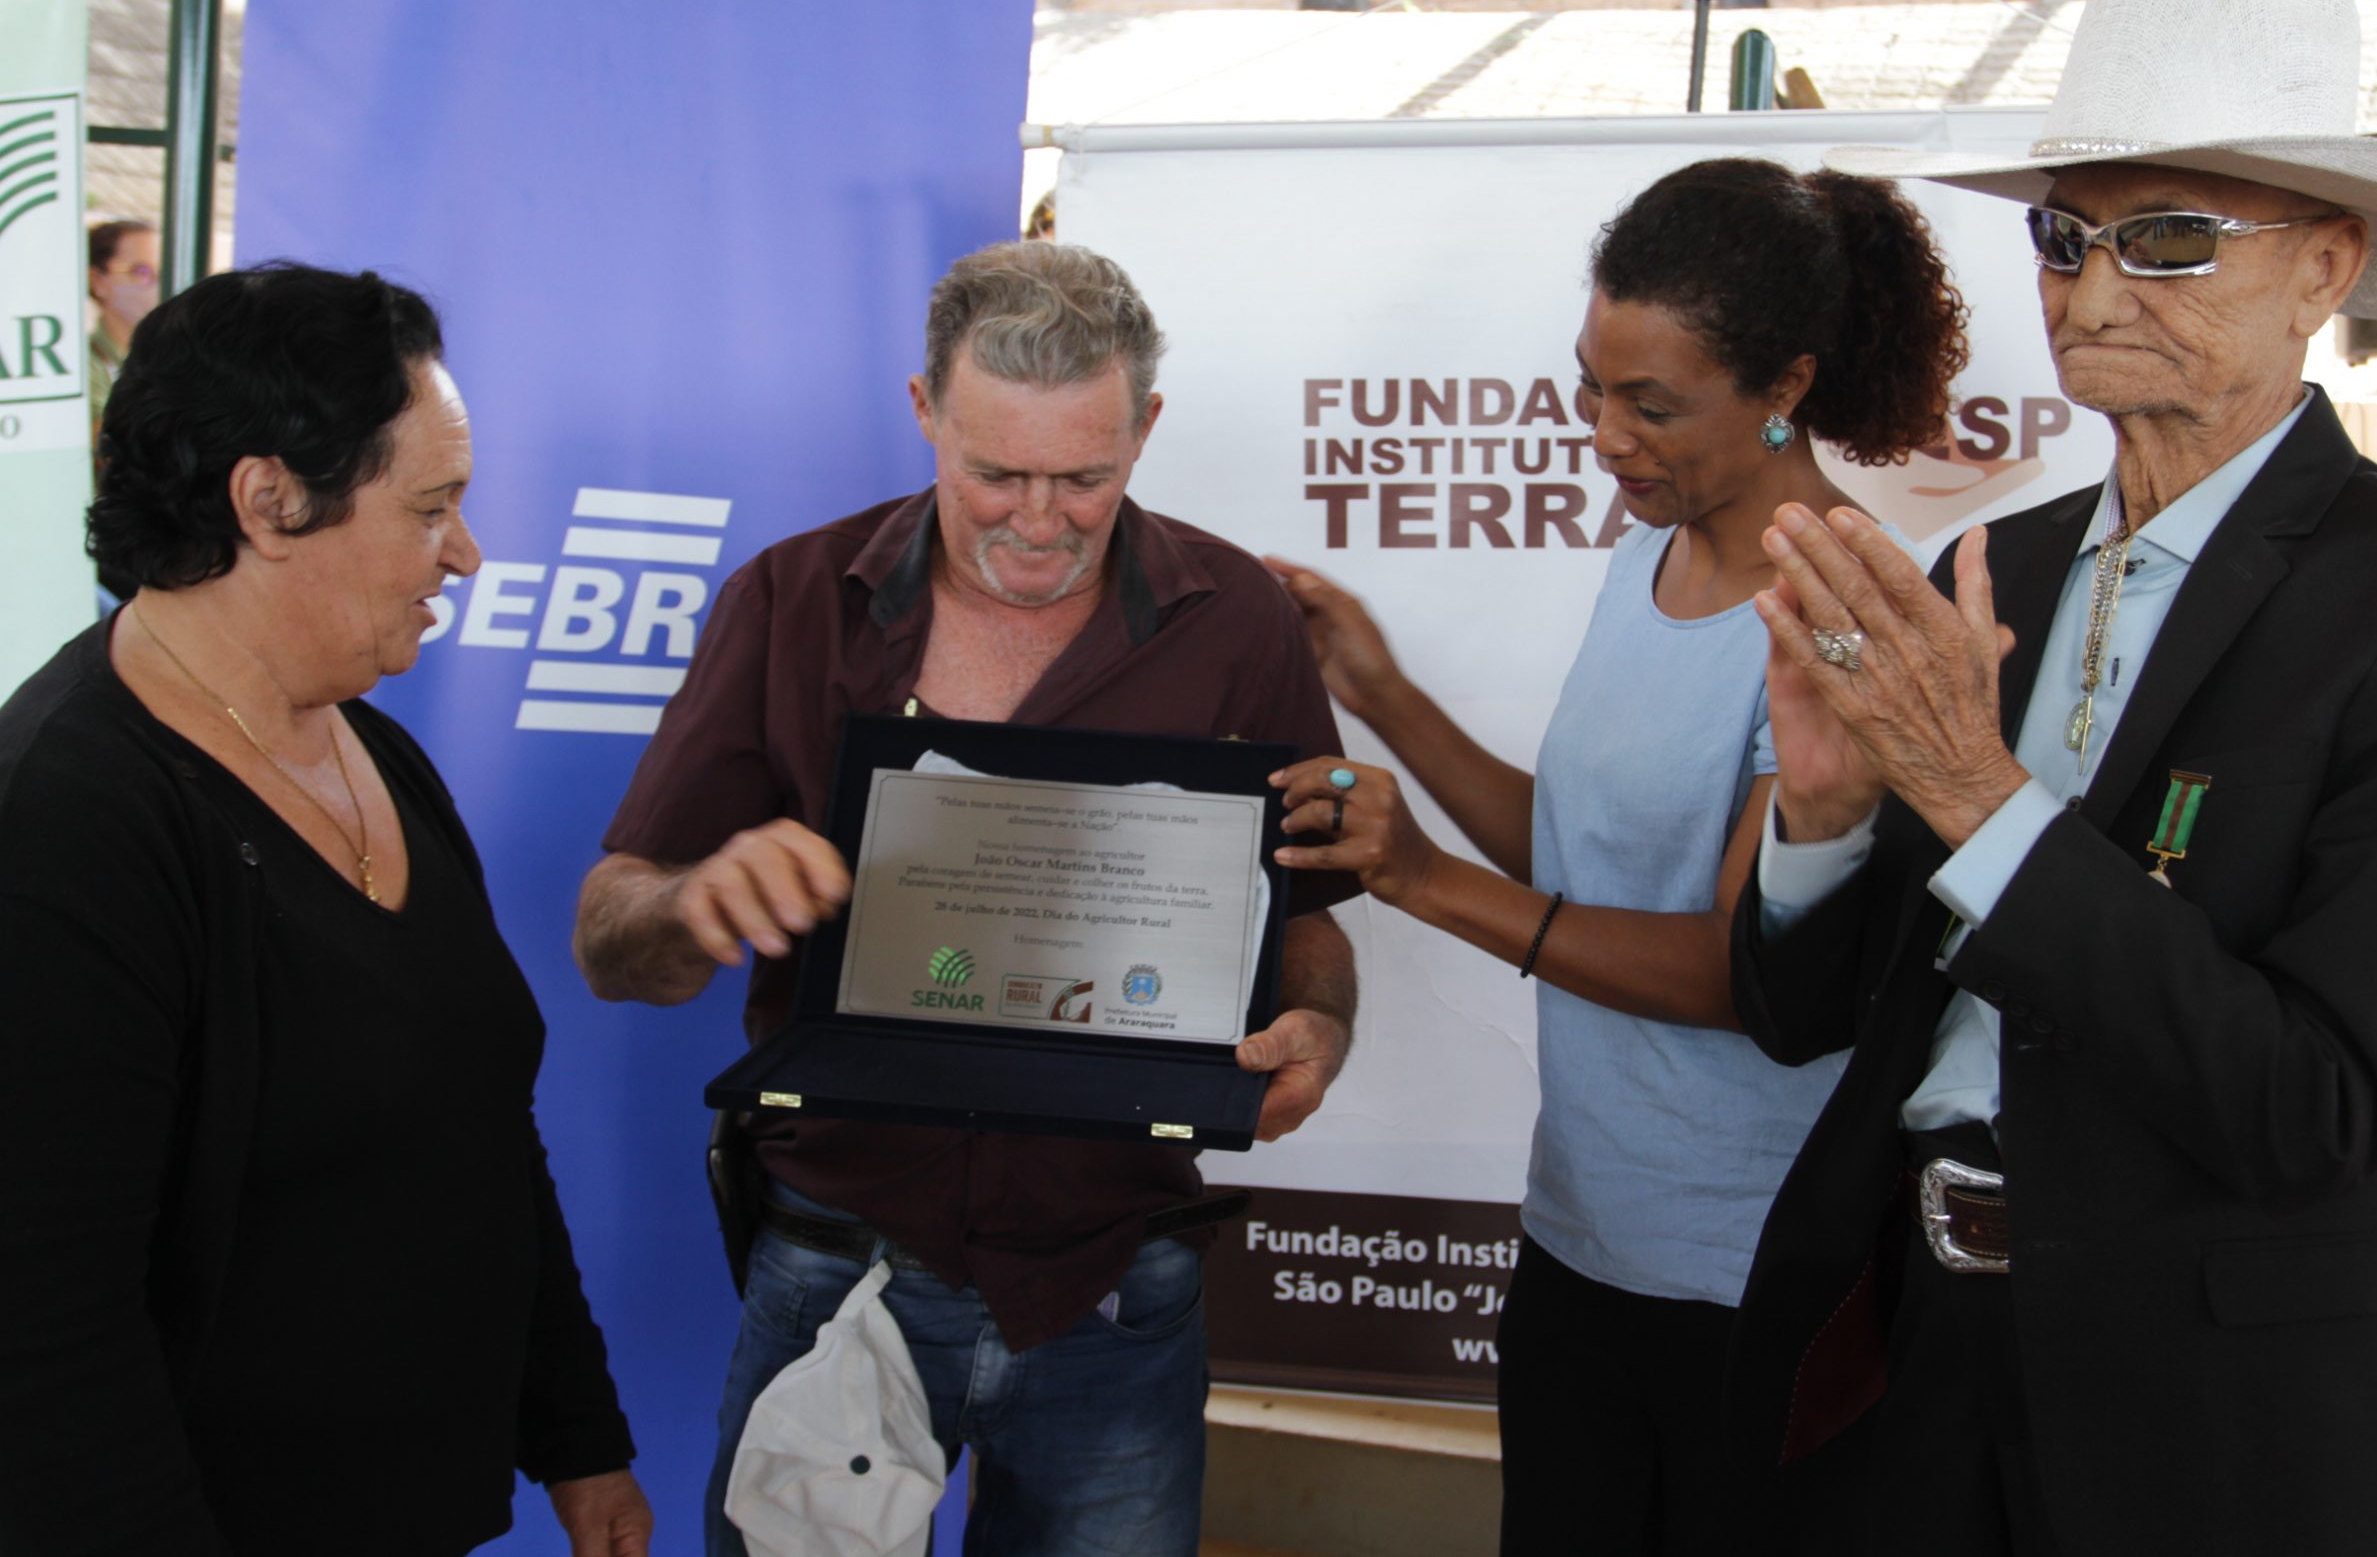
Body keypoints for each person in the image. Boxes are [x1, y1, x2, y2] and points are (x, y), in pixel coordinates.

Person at [1731, 0, 2377, 1557]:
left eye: (2170, 240)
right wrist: (1822, 820)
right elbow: (1811, 1019)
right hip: (1924, 1358)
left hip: (2237, 1407)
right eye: (2065, 236)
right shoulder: (2007, 566)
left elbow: (2309, 1107)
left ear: (2325, 268)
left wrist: (1972, 792)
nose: (2092, 294)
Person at [572, 238, 1362, 1557]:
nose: (1039, 520)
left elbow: (1312, 922)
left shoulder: (1237, 622)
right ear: (924, 410)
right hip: (840, 1260)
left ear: (1146, 429)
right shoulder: (790, 600)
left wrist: (1321, 1029)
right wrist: (694, 898)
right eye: (996, 473)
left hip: (1115, 1273)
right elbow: (611, 936)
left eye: (1084, 478)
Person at [1265, 156, 1967, 1554]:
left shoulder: (1844, 610)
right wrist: (1380, 688)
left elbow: (1745, 973)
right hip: (1582, 1237)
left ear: (1784, 385)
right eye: (1590, 388)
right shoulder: (1647, 557)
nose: (1605, 437)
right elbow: (1579, 858)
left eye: (1652, 405)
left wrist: (1427, 881)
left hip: (1749, 1276)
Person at [0, 263, 651, 1556]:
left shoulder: (373, 747)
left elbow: (480, 1129)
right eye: (431, 507)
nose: (465, 551)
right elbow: (45, 1324)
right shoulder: (70, 817)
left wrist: (579, 1436)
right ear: (269, 499)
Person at [86, 216, 157, 468]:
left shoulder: (182, 355)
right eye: (142, 272)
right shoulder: (84, 366)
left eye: (164, 269)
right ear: (98, 280)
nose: (158, 284)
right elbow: (108, 451)